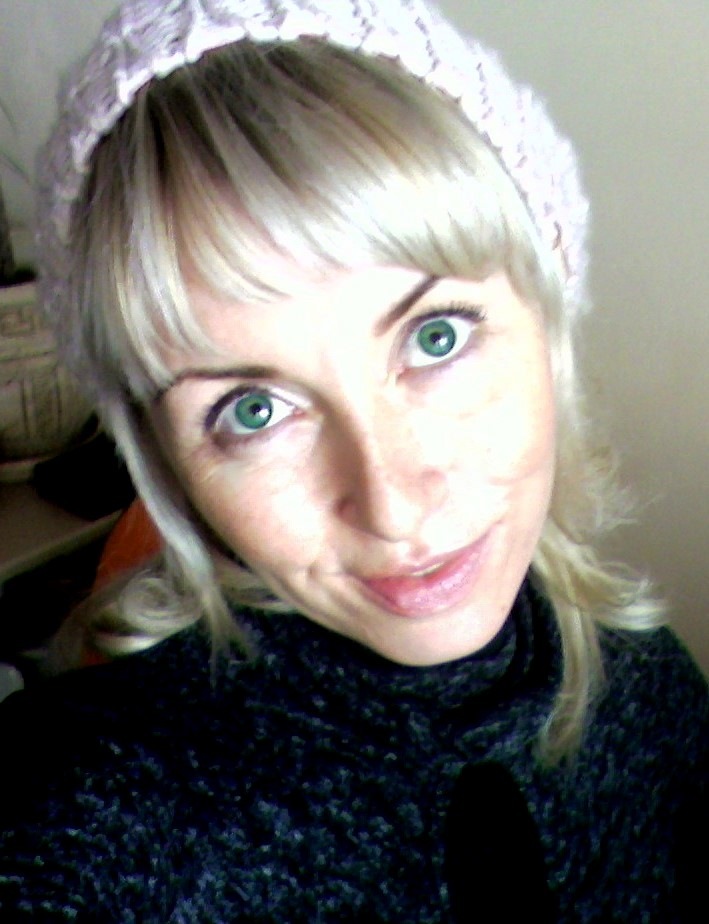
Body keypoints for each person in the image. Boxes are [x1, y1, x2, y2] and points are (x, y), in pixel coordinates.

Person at [0, 0, 706, 919]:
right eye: (254, 411)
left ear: (546, 323)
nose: (393, 505)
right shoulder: (77, 818)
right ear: (170, 468)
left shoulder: (651, 689)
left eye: (436, 337)